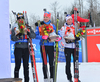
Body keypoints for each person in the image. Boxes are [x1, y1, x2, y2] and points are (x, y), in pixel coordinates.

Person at [35, 11, 61, 82]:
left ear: (49, 17)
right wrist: (42, 37)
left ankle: (52, 77)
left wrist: (58, 37)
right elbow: (35, 36)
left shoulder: (53, 26)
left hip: (51, 45)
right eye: (44, 17)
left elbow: (57, 34)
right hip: (43, 45)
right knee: (44, 62)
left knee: (51, 62)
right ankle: (46, 77)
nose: (45, 18)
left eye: (47, 17)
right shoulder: (40, 25)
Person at [11, 12, 36, 82]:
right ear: (17, 20)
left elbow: (33, 35)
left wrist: (28, 33)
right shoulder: (15, 27)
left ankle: (27, 80)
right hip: (18, 48)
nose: (20, 20)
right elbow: (12, 38)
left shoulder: (27, 26)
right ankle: (16, 80)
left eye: (21, 19)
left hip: (26, 48)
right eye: (19, 19)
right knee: (17, 65)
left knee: (26, 66)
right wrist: (18, 36)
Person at [60, 14, 80, 82]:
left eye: (71, 19)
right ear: (66, 20)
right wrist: (66, 42)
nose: (70, 21)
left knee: (76, 62)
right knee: (68, 63)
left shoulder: (75, 27)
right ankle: (69, 77)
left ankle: (76, 76)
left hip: (74, 47)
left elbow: (79, 36)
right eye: (68, 19)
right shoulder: (63, 28)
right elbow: (62, 38)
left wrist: (78, 38)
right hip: (67, 47)